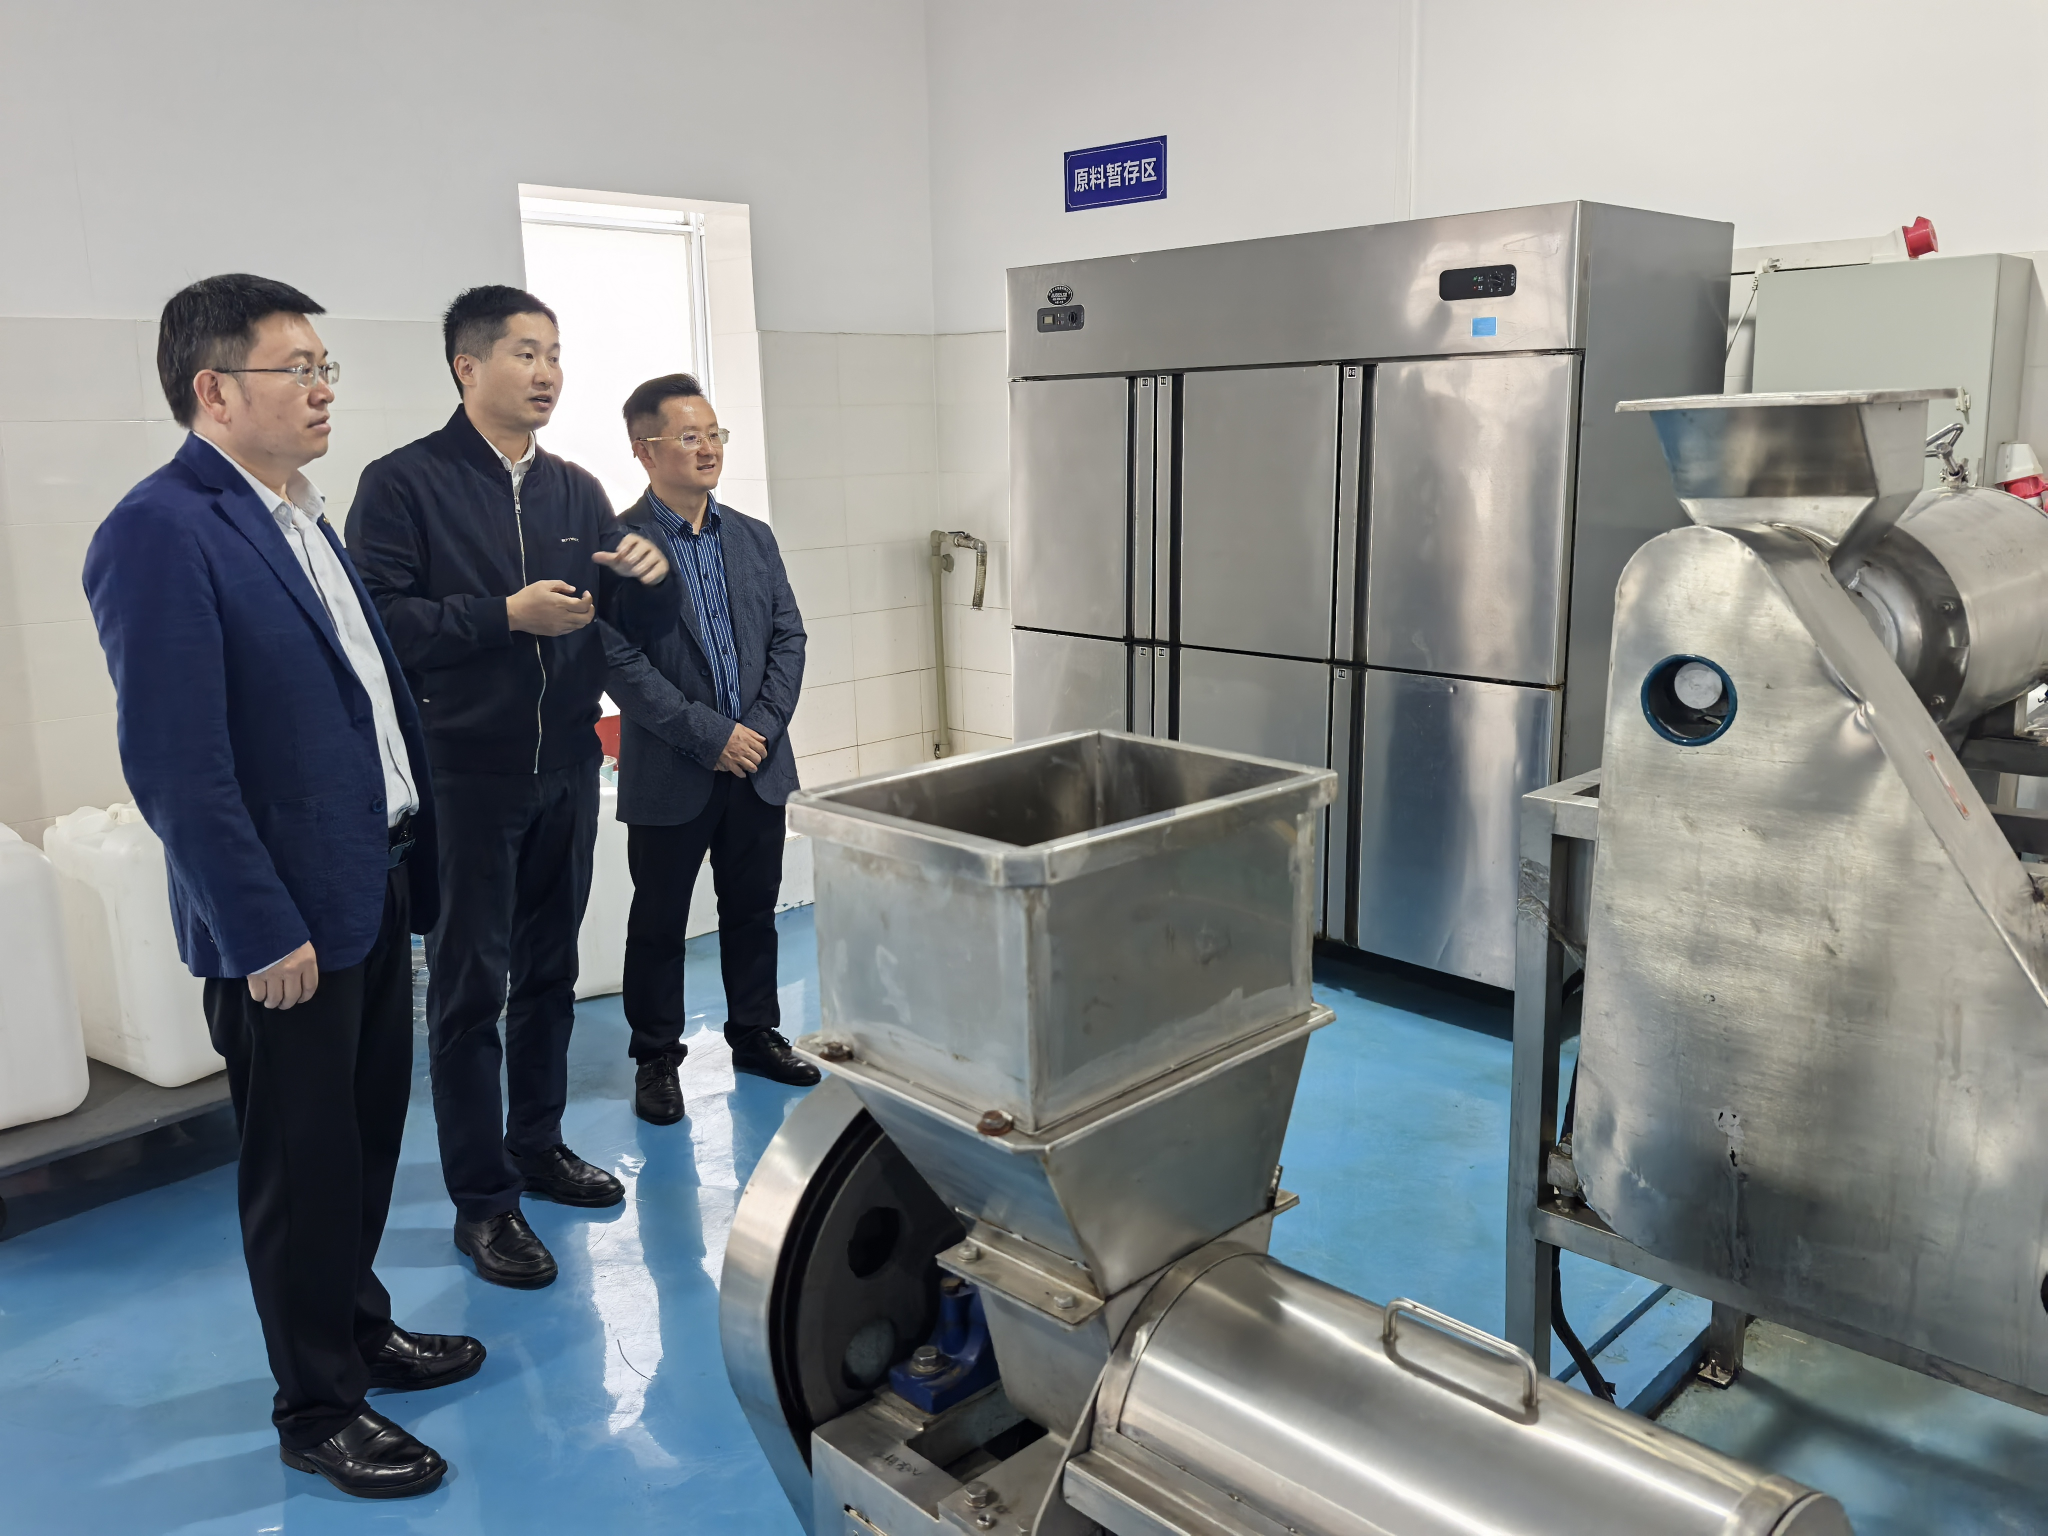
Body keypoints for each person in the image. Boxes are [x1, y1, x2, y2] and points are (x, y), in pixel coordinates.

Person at [82, 274, 473, 1499]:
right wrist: (257, 926)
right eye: (295, 369)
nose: (321, 390)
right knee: (302, 1174)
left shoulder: (300, 515)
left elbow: (357, 704)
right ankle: (317, 1407)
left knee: (363, 1143)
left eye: (324, 368)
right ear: (214, 389)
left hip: (370, 884)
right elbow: (176, 764)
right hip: (286, 924)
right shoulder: (161, 529)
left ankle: (357, 1331)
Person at [345, 287, 677, 1290]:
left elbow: (612, 626)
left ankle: (537, 1144)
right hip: (465, 776)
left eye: (555, 354)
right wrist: (503, 616)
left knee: (548, 974)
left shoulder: (577, 490)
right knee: (468, 992)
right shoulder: (403, 484)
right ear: (468, 366)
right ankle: (482, 1202)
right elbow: (380, 624)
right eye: (526, 353)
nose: (546, 373)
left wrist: (647, 579)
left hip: (566, 767)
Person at [602, 372, 818, 1127]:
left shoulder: (753, 536)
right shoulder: (619, 548)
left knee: (753, 909)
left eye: (714, 434)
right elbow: (618, 661)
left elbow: (789, 636)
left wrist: (758, 729)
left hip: (758, 764)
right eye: (688, 436)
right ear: (644, 449)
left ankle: (755, 1035)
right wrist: (709, 735)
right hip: (674, 768)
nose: (708, 449)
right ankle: (656, 1058)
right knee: (659, 921)